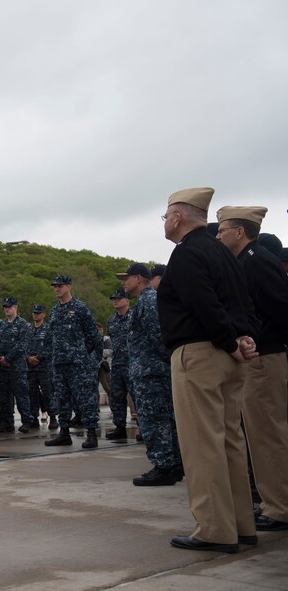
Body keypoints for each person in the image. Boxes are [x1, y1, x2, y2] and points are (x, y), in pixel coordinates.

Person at [158, 187, 258, 553]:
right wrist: (244, 339)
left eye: (166, 216)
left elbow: (204, 304)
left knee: (203, 445)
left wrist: (230, 341)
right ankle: (241, 524)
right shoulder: (222, 252)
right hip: (228, 358)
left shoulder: (186, 254)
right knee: (231, 441)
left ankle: (215, 528)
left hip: (200, 355)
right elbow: (243, 303)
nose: (165, 222)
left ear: (178, 216)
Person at [215, 205, 288, 532]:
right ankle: (274, 501)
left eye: (222, 230)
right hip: (259, 358)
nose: (218, 236)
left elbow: (281, 308)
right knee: (260, 435)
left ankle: (281, 507)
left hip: (266, 357)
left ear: (240, 232)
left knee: (268, 435)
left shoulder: (257, 261)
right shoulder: (245, 260)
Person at [118, 262, 182, 486]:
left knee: (155, 421)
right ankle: (172, 465)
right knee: (163, 419)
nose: (123, 282)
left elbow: (160, 338)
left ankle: (164, 466)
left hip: (151, 373)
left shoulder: (148, 301)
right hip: (151, 371)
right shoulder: (145, 302)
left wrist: (162, 364)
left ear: (138, 279)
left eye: (126, 278)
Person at [44, 274, 103, 449]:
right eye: (55, 286)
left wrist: (83, 355)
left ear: (69, 286)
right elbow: (51, 337)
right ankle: (64, 433)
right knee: (61, 398)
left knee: (85, 398)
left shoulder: (80, 308)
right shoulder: (54, 311)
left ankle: (91, 433)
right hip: (59, 363)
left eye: (60, 286)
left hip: (78, 363)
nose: (57, 289)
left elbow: (93, 336)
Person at [0, 297, 34, 433]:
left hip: (17, 367)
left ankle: (27, 421)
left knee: (21, 395)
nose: (7, 309)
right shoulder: (2, 325)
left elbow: (22, 346)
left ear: (15, 308)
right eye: (5, 307)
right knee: (3, 397)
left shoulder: (23, 325)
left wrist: (8, 358)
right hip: (2, 368)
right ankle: (6, 422)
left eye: (9, 307)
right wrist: (1, 358)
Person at [104, 289, 132, 440]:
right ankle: (119, 427)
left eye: (118, 298)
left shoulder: (134, 317)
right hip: (117, 364)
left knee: (137, 397)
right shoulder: (111, 321)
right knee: (116, 397)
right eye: (114, 299)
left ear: (126, 301)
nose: (115, 301)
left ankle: (143, 427)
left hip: (132, 363)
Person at [27, 304, 56, 430]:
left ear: (44, 314)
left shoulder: (49, 329)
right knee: (32, 394)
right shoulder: (28, 330)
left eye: (38, 313)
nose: (36, 315)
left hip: (44, 367)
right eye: (34, 313)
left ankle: (53, 417)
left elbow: (51, 348)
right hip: (30, 368)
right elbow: (23, 346)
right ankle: (33, 417)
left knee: (48, 393)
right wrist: (28, 358)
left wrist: (38, 358)